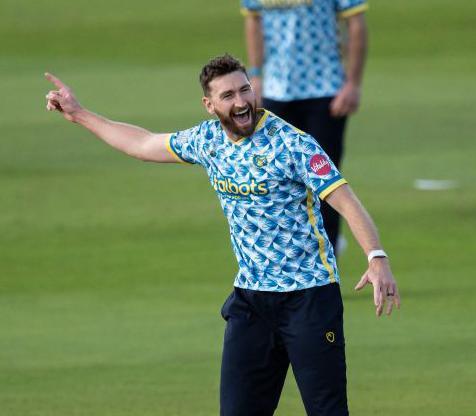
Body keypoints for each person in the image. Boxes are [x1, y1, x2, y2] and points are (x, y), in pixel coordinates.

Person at [44, 54, 399, 416]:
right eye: (228, 95)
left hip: (308, 298)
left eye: (245, 90)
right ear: (209, 105)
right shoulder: (207, 141)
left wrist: (376, 257)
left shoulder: (293, 144)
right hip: (252, 303)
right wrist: (79, 114)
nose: (242, 102)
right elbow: (143, 145)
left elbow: (345, 200)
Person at [241, 0, 369, 252]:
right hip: (276, 92)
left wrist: (353, 83)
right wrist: (255, 74)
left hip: (325, 90)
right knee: (276, 181)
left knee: (326, 182)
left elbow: (355, 24)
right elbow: (253, 19)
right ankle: (284, 258)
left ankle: (329, 267)